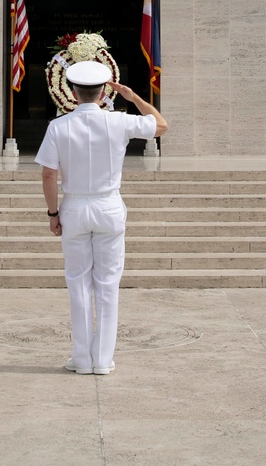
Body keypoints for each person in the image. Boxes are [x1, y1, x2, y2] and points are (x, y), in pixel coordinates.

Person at [36, 59, 168, 374]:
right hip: (108, 207)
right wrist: (133, 97)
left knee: (78, 284)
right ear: (103, 93)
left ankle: (82, 359)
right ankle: (103, 360)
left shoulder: (58, 126)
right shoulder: (119, 121)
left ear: (71, 91)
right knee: (107, 285)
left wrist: (53, 213)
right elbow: (161, 125)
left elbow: (48, 176)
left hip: (76, 208)